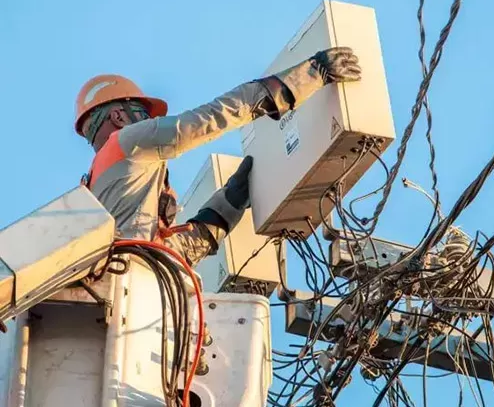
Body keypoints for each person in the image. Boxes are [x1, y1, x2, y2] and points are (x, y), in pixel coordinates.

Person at [74, 47, 361, 266]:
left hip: (138, 295)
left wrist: (228, 205)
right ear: (118, 115)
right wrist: (309, 75)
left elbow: (172, 253)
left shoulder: (95, 189)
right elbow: (206, 120)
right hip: (140, 285)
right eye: (143, 115)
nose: (148, 122)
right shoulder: (128, 140)